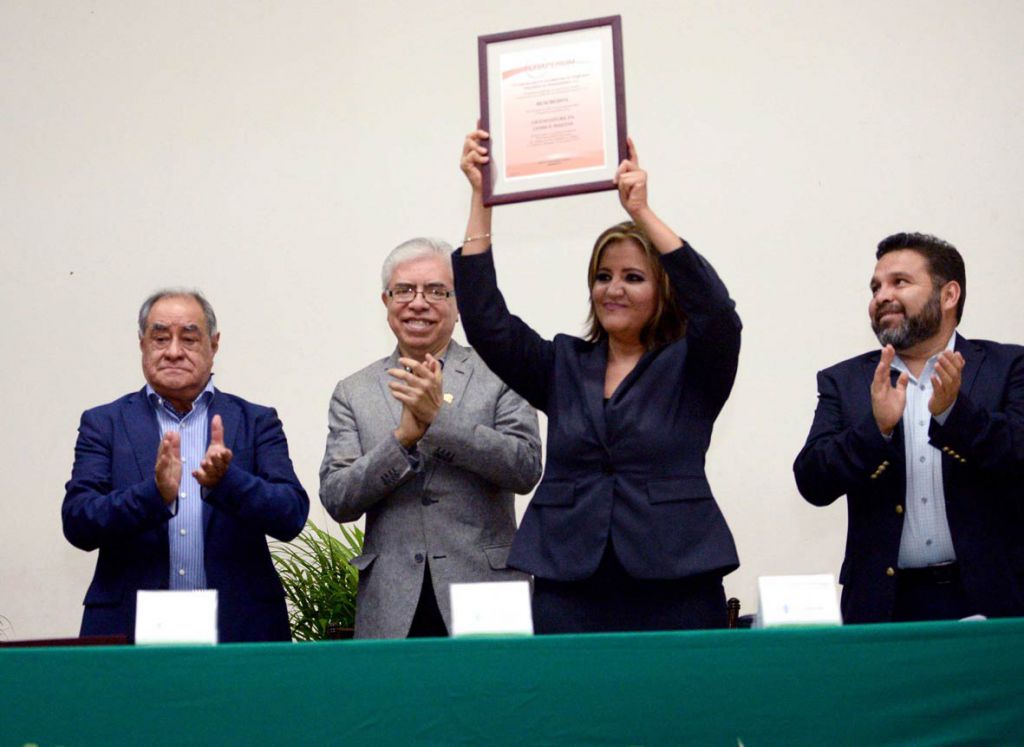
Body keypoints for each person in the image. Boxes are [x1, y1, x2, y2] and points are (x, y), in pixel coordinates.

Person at [453, 130, 742, 633]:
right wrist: (482, 198)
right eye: (603, 276)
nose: (613, 289)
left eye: (633, 277)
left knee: (678, 710)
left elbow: (717, 312)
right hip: (571, 580)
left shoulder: (693, 366)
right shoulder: (564, 363)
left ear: (662, 290)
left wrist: (642, 212)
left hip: (677, 577)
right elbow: (485, 322)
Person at [794, 233, 1024, 623]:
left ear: (949, 295)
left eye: (899, 282)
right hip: (884, 603)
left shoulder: (1008, 367)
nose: (882, 296)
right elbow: (812, 481)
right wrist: (876, 429)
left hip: (992, 598)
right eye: (875, 287)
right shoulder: (846, 381)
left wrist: (955, 414)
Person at [319, 237, 542, 639]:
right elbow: (337, 497)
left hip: (485, 592)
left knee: (497, 701)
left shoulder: (499, 373)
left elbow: (525, 467)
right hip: (392, 602)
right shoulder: (355, 391)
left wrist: (440, 421)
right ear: (386, 301)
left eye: (437, 291)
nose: (418, 303)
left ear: (458, 306)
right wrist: (402, 440)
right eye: (404, 290)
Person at [62, 289, 309, 642]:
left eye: (189, 338)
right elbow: (78, 522)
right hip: (129, 630)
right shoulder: (105, 423)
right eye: (160, 338)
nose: (174, 351)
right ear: (142, 344)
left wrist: (228, 482)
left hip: (240, 628)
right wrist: (153, 494)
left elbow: (291, 516)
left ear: (214, 344)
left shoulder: (256, 421)